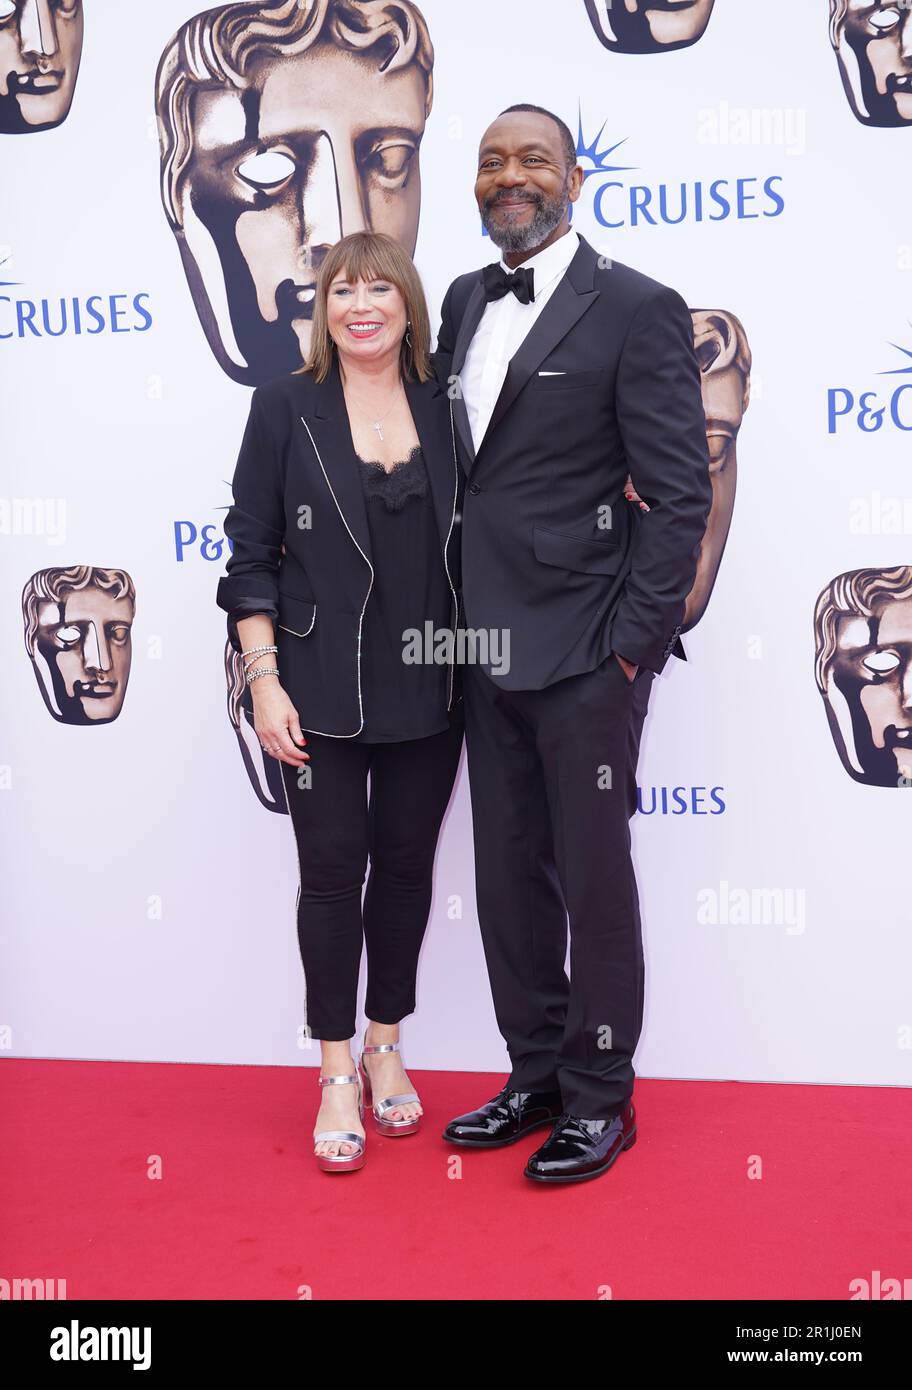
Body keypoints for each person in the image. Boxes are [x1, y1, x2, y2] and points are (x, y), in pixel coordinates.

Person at [434, 104, 713, 1184]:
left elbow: (679, 495)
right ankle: (537, 1072)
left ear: (575, 177)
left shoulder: (637, 307)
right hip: (478, 641)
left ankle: (602, 1096)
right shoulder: (461, 300)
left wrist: (632, 650)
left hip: (588, 650)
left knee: (593, 875)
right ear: (476, 184)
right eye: (493, 161)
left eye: (533, 159)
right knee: (506, 878)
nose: (512, 176)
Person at [217, 231, 463, 1173]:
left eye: (379, 288)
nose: (361, 304)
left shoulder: (450, 408)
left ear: (408, 306)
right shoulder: (284, 407)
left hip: (435, 681)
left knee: (405, 873)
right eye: (343, 290)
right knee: (330, 879)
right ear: (325, 309)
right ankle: (331, 1072)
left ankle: (386, 1048)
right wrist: (263, 677)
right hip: (318, 686)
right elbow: (251, 553)